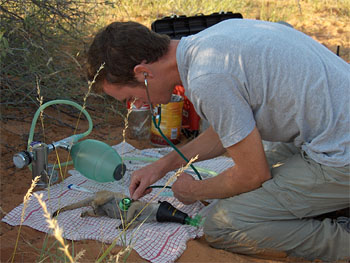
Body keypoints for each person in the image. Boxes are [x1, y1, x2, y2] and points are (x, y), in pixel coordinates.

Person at [87, 19, 350, 261]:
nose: (136, 106)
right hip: (331, 137)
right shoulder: (207, 45)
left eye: (129, 98)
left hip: (339, 156)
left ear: (144, 73)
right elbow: (229, 129)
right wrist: (162, 166)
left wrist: (194, 191)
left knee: (222, 225)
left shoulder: (206, 79)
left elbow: (252, 175)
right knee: (248, 184)